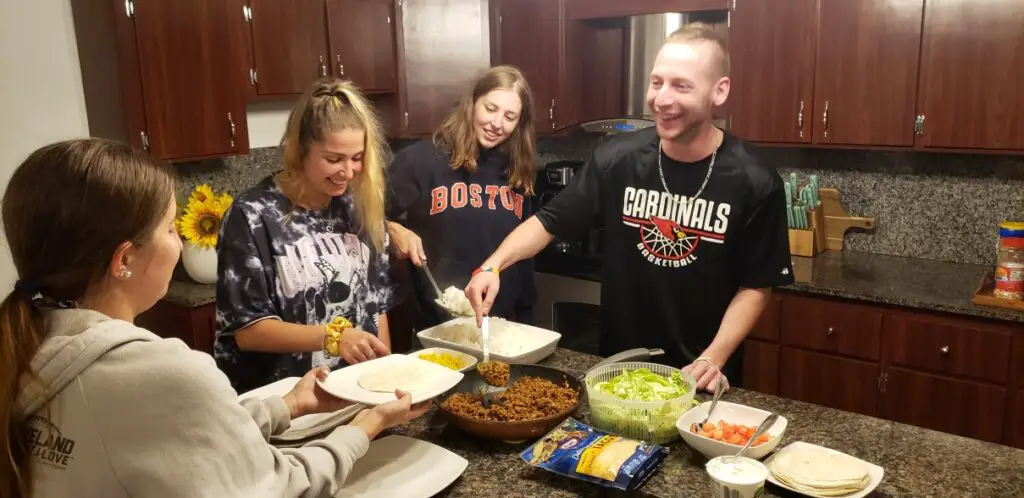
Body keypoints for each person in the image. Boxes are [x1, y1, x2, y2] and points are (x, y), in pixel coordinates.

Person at [1, 139, 430, 498]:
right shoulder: (159, 371)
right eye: (171, 229)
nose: (178, 243)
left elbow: (180, 433)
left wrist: (289, 404)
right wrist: (368, 424)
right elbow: (280, 486)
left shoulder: (30, 341)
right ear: (124, 260)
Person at [465, 23, 794, 392]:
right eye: (657, 82)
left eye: (681, 85)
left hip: (700, 377)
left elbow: (756, 286)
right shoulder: (616, 160)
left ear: (719, 91)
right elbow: (549, 222)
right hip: (617, 370)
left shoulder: (755, 181)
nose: (661, 99)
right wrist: (492, 266)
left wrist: (712, 357)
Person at [215, 78, 396, 393]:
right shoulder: (252, 216)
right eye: (334, 159)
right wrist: (332, 338)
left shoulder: (358, 206)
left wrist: (385, 372)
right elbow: (248, 331)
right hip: (284, 401)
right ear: (299, 150)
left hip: (354, 391)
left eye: (357, 158)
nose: (349, 171)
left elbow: (375, 305)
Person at [387, 65, 538, 328]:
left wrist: (526, 315)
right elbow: (362, 215)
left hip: (502, 324)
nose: (497, 124)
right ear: (471, 104)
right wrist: (391, 229)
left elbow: (523, 252)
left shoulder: (517, 170)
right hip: (437, 323)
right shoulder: (421, 161)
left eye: (510, 116)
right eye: (490, 109)